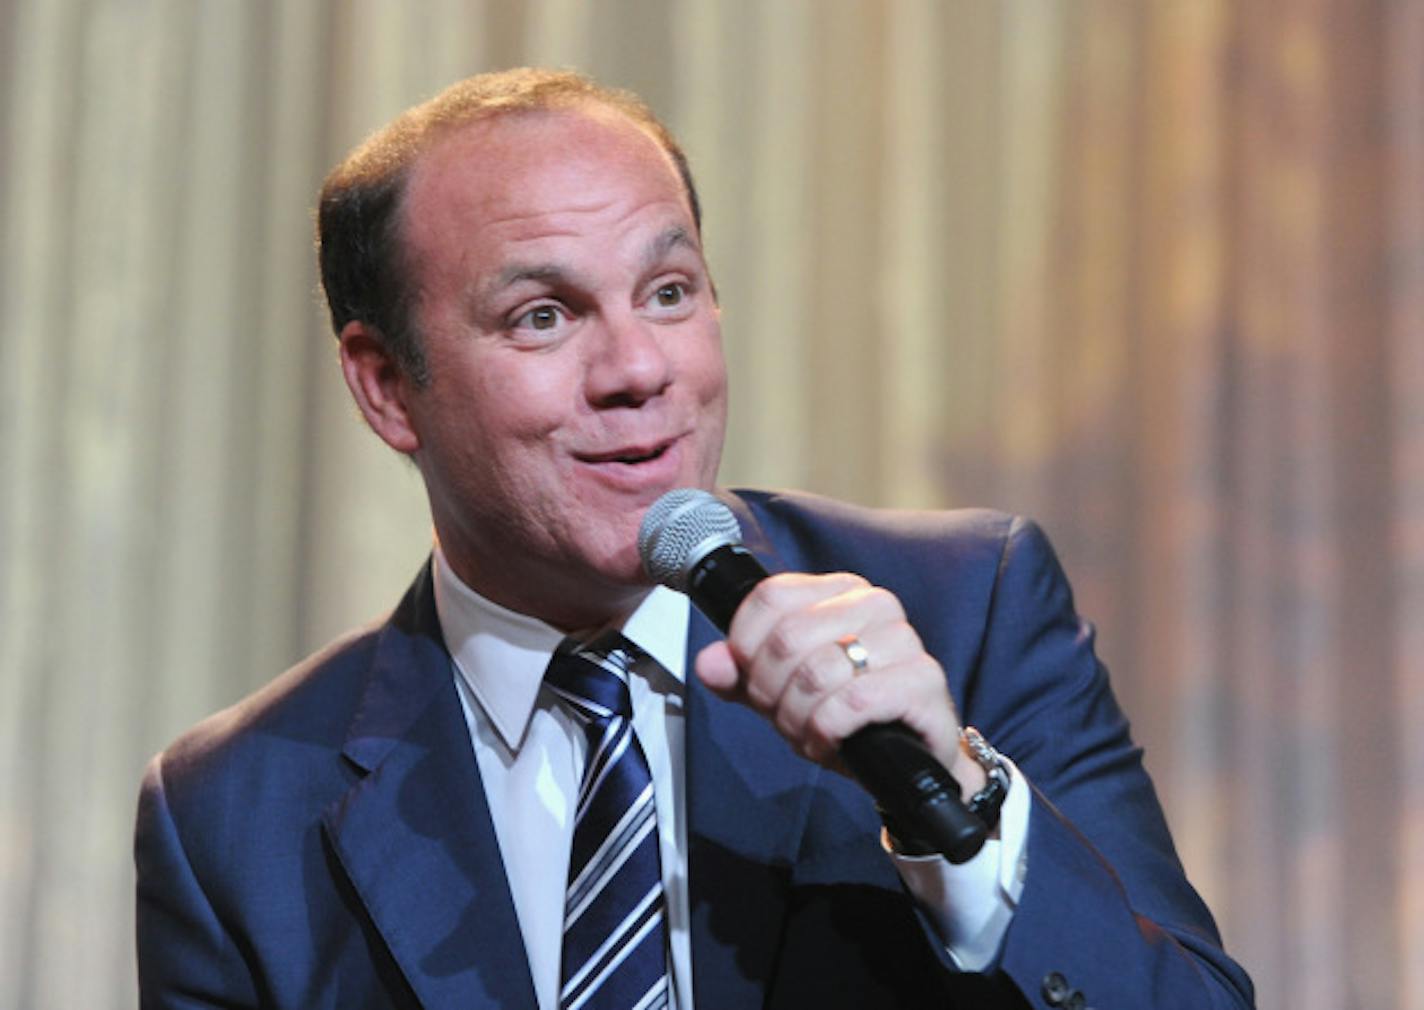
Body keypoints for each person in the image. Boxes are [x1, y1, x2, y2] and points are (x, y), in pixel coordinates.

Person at [134, 68, 1254, 1010]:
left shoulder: (968, 610)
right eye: (544, 315)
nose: (637, 369)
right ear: (387, 389)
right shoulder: (233, 811)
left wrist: (952, 809)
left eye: (667, 292)